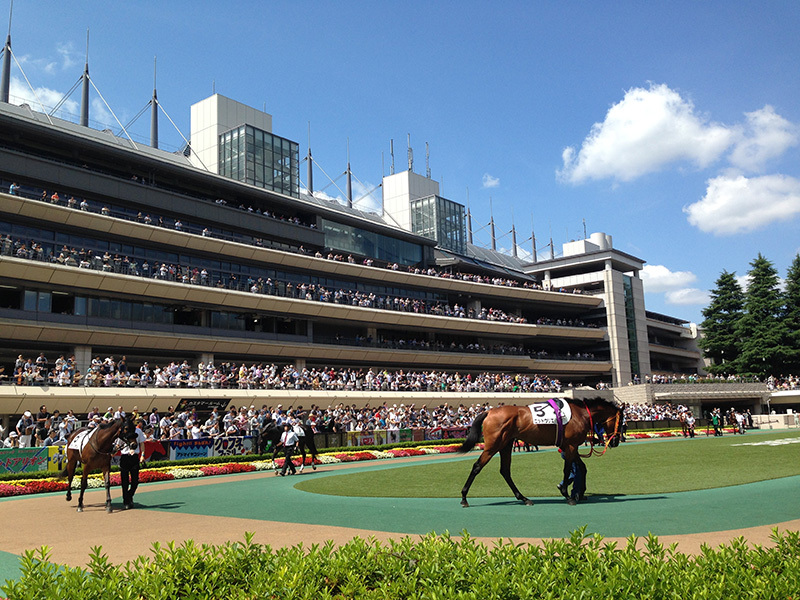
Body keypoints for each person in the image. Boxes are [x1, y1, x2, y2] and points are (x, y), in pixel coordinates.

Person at [119, 420, 146, 510]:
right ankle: (126, 500)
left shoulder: (138, 431)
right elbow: (118, 445)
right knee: (125, 481)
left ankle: (129, 495)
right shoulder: (123, 432)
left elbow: (142, 443)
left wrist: (142, 455)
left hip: (134, 457)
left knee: (135, 481)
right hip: (124, 457)